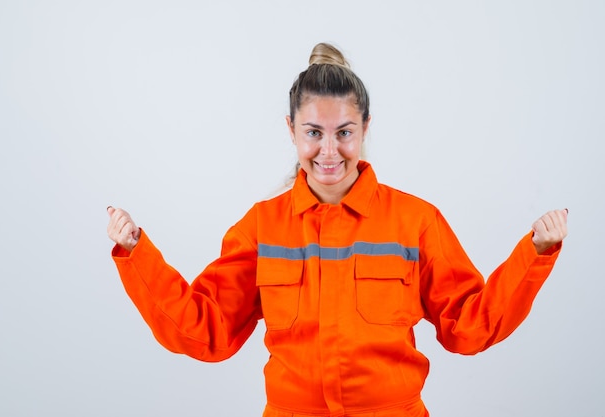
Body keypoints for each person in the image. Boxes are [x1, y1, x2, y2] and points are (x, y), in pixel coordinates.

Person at [107, 43, 568, 417]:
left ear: (366, 128)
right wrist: (136, 253)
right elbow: (205, 331)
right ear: (291, 130)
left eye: (344, 132)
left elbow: (469, 325)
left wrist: (536, 253)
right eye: (314, 132)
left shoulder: (415, 221)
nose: (329, 150)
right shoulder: (261, 227)